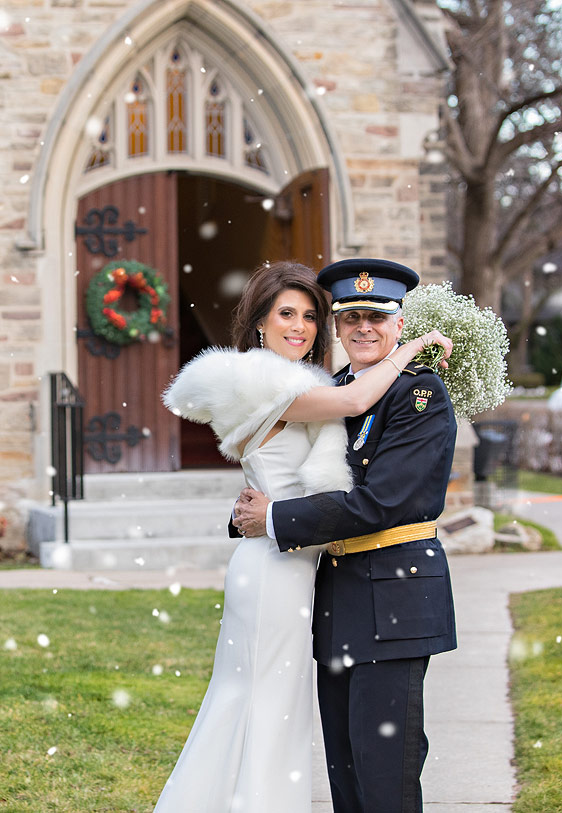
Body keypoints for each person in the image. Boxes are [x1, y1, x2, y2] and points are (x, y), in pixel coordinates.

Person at [156, 261, 450, 813]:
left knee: (377, 763)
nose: (363, 327)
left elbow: (381, 502)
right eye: (349, 317)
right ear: (260, 325)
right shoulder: (314, 386)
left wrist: (267, 517)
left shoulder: (418, 395)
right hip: (311, 583)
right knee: (322, 746)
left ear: (400, 321)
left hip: (389, 595)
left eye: (378, 318)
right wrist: (264, 517)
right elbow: (341, 418)